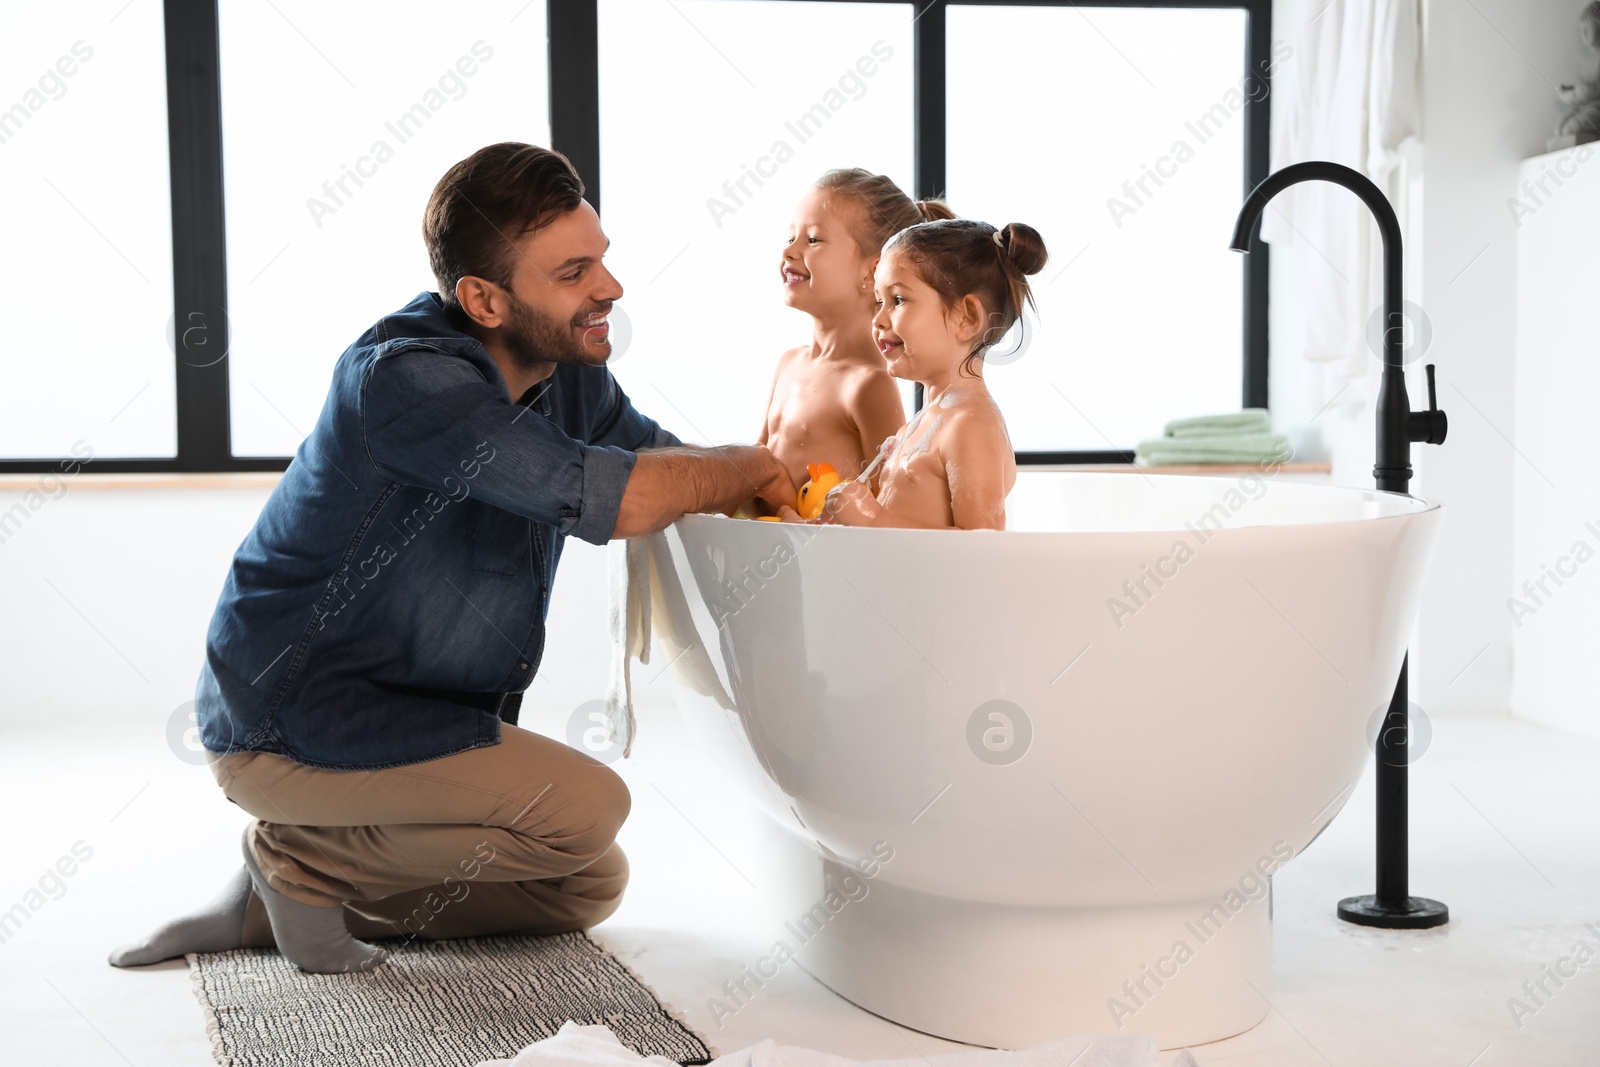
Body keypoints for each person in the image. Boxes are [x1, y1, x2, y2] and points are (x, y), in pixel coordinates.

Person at [108, 142, 794, 974]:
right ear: (483, 299)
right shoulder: (408, 382)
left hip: (418, 724)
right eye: (574, 272)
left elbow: (668, 469)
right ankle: (297, 856)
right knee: (588, 810)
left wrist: (799, 498)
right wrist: (754, 465)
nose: (610, 287)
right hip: (292, 725)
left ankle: (262, 904)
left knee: (583, 882)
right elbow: (621, 498)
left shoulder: (568, 374)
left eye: (602, 258)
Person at [799, 218, 1048, 530]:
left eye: (898, 300)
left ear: (966, 318)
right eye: (879, 302)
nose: (877, 319)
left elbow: (983, 546)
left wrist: (872, 517)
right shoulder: (922, 423)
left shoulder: (971, 425)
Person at [757, 170, 951, 494]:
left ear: (872, 273)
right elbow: (757, 464)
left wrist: (795, 514)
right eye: (791, 238)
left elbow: (887, 503)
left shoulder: (869, 385)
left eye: (813, 240)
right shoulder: (788, 364)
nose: (789, 251)